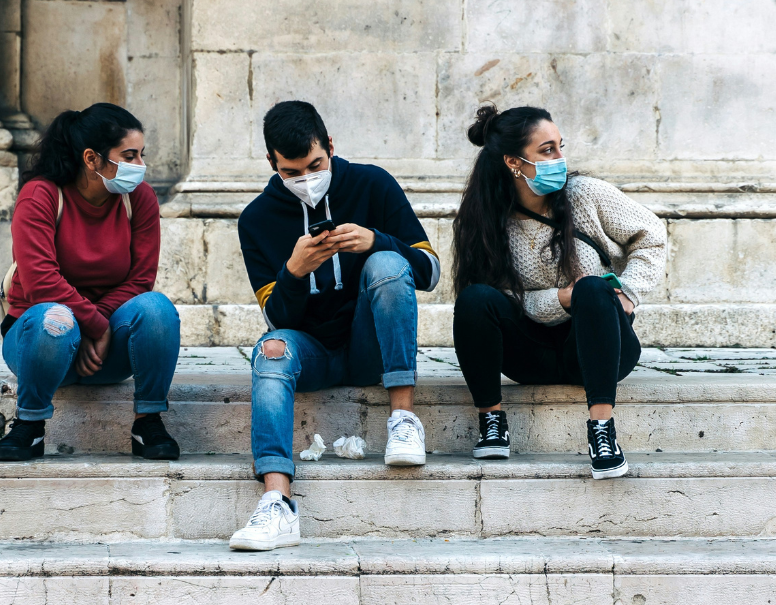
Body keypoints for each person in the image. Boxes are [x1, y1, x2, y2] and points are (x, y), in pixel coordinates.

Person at [229, 101, 440, 551]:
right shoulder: (257, 219)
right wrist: (294, 271)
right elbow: (278, 321)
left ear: (330, 147)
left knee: (386, 262)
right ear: (272, 164)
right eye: (291, 171)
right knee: (270, 349)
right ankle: (277, 503)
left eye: (315, 165)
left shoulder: (372, 184)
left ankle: (403, 419)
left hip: (372, 348)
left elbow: (431, 272)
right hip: (313, 353)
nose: (306, 177)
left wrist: (377, 240)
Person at [450, 105, 666, 478]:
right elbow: (501, 297)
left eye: (560, 147)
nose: (560, 159)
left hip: (599, 349)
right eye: (547, 150)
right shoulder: (485, 222)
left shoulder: (585, 195)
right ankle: (492, 423)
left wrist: (628, 294)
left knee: (593, 289)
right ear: (513, 163)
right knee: (474, 299)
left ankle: (602, 431)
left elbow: (652, 236)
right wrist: (559, 299)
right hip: (528, 354)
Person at [0, 103, 181, 462]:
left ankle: (148, 422)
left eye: (142, 155)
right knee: (55, 318)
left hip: (104, 352)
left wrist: (101, 330)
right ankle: (29, 425)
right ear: (92, 159)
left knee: (157, 309)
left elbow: (141, 278)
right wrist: (94, 325)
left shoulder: (138, 198)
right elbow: (40, 281)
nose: (139, 166)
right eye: (128, 156)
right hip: (41, 346)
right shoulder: (41, 195)